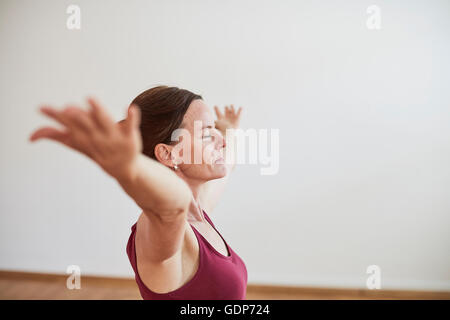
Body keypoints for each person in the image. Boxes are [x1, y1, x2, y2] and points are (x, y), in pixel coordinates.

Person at [29, 85, 247, 299]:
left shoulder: (200, 210)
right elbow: (173, 206)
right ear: (169, 154)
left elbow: (228, 161)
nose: (222, 142)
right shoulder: (159, 227)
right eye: (206, 134)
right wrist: (131, 167)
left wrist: (229, 128)